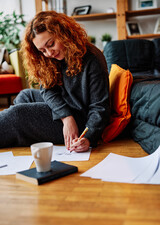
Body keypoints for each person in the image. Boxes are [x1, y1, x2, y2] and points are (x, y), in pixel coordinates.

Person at [0, 10, 110, 152]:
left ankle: (17, 130)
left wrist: (88, 137)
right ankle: (17, 134)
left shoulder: (92, 59)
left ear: (63, 33)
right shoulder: (51, 58)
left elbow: (100, 107)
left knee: (18, 115)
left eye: (51, 44)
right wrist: (66, 117)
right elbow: (47, 89)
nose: (49, 53)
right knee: (26, 95)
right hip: (68, 111)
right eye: (42, 50)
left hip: (82, 120)